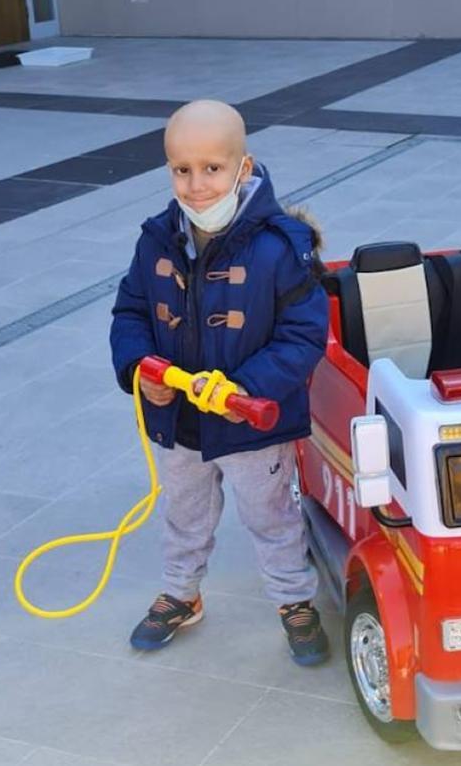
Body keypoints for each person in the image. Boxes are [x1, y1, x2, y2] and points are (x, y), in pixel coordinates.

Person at [109, 100, 330, 665]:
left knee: (270, 514)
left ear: (244, 168)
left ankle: (293, 601)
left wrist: (246, 391)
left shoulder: (281, 247)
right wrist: (140, 370)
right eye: (182, 169)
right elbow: (130, 311)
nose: (197, 184)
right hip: (178, 420)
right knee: (184, 511)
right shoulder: (157, 238)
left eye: (212, 168)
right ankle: (183, 593)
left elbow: (302, 338)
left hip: (254, 426)